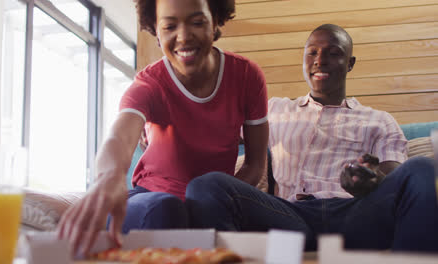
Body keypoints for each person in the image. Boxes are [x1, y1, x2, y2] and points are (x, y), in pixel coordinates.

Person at [185, 24, 438, 253]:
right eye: (312, 53)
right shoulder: (274, 110)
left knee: (423, 168)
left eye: (333, 53)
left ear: (350, 63)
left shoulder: (379, 120)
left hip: (356, 215)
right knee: (207, 186)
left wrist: (369, 180)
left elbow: (395, 178)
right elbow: (215, 132)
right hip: (288, 217)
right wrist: (157, 131)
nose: (320, 60)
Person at [57, 0, 269, 256]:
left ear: (215, 22)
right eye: (169, 26)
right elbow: (119, 136)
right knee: (166, 209)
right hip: (150, 201)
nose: (183, 36)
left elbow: (255, 165)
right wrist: (109, 177)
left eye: (197, 22)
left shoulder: (246, 76)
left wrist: (215, 204)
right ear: (156, 32)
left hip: (210, 202)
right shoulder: (150, 84)